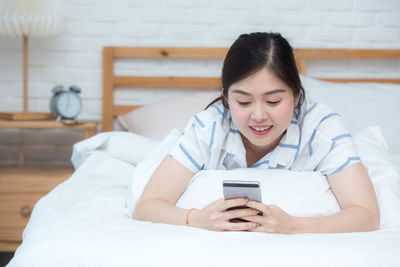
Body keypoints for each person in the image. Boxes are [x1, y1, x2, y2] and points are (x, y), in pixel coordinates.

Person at [133, 32, 379, 234]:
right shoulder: (208, 128)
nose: (259, 116)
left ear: (296, 97)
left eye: (273, 101)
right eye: (243, 102)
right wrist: (196, 219)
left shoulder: (321, 129)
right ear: (227, 98)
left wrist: (296, 226)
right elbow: (146, 206)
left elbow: (366, 215)